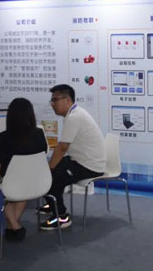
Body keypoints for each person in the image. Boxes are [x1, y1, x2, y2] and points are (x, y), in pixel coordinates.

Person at [38, 84, 105, 230]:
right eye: (51, 100)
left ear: (67, 100)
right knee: (49, 173)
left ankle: (61, 217)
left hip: (89, 166)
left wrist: (50, 168)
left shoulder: (74, 117)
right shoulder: (74, 114)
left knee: (50, 179)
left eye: (55, 100)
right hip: (81, 161)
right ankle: (53, 204)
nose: (52, 104)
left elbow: (63, 147)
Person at [0, 97, 48, 241]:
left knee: (3, 189)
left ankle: (15, 227)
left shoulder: (1, 138)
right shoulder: (39, 134)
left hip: (12, 184)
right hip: (36, 182)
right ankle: (13, 227)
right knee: (20, 193)